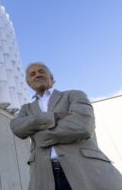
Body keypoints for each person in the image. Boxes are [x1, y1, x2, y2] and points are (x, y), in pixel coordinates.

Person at [10, 62, 122, 190]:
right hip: (44, 175)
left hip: (84, 168)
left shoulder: (73, 95)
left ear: (51, 78)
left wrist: (40, 134)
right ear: (29, 83)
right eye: (32, 74)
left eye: (41, 71)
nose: (37, 75)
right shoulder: (26, 109)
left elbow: (82, 126)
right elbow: (17, 128)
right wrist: (53, 117)